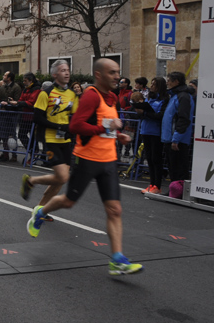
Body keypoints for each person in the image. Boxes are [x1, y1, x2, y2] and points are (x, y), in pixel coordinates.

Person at [27, 58, 143, 276]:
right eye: (112, 72)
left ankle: (117, 260)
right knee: (68, 202)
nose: (117, 76)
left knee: (115, 209)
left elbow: (105, 125)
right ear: (99, 75)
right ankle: (40, 212)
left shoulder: (113, 97)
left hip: (108, 160)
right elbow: (76, 125)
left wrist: (118, 135)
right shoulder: (91, 95)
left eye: (118, 72)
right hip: (87, 159)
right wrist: (105, 128)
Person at [20, 60, 78, 220]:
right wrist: (58, 126)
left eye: (68, 70)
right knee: (63, 176)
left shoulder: (72, 94)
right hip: (50, 139)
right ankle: (32, 181)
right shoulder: (45, 93)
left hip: (65, 141)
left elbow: (76, 116)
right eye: (63, 70)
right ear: (54, 74)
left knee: (60, 180)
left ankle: (40, 210)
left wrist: (71, 128)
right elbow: (37, 118)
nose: (67, 73)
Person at [161, 72, 195, 198]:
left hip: (177, 139)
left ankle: (180, 192)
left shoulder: (183, 96)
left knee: (179, 167)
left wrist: (176, 138)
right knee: (173, 166)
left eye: (169, 80)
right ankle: (174, 190)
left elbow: (183, 119)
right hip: (170, 137)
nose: (167, 82)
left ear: (176, 82)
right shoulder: (175, 95)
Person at [135, 77, 168, 195]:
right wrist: (140, 111)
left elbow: (160, 116)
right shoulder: (150, 98)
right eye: (152, 84)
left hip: (156, 132)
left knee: (156, 159)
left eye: (154, 84)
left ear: (160, 86)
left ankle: (157, 185)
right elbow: (144, 114)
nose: (152, 86)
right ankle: (152, 184)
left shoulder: (164, 100)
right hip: (146, 130)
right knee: (149, 158)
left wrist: (145, 113)